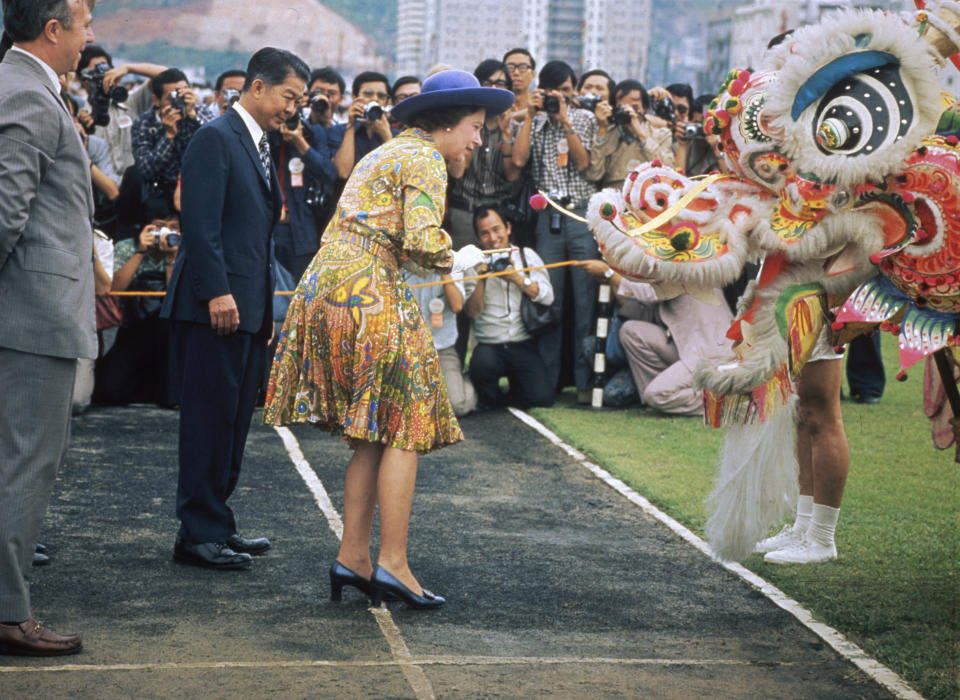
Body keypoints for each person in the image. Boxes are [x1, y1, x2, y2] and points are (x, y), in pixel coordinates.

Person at [264, 69, 512, 609]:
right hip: (367, 288)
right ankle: (392, 564)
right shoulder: (424, 159)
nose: (478, 139)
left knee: (375, 430)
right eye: (475, 126)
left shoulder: (393, 151)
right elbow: (422, 240)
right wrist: (459, 256)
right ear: (448, 122)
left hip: (330, 284)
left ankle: (352, 556)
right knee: (406, 421)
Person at [160, 46, 310, 570]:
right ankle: (198, 533)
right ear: (257, 86)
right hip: (214, 306)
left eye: (299, 101)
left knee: (233, 421)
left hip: (248, 306)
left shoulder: (260, 144)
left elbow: (257, 233)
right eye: (289, 96)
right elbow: (200, 227)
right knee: (208, 420)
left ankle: (216, 523)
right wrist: (217, 291)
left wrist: (262, 309)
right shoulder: (214, 138)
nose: (291, 109)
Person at [0, 0, 95, 656]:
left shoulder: (24, 87)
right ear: (53, 28)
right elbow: (6, 212)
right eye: (85, 22)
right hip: (29, 316)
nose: (92, 38)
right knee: (24, 467)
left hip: (24, 312)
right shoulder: (28, 94)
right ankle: (8, 613)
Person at [512, 59, 599, 400]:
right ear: (542, 92)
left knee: (584, 302)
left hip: (579, 218)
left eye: (566, 91)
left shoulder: (585, 119)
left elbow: (583, 163)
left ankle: (583, 382)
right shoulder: (533, 122)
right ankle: (546, 383)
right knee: (549, 301)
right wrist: (532, 116)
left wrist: (564, 121)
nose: (561, 98)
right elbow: (518, 162)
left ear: (574, 91)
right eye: (554, 93)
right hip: (548, 218)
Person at [579, 260, 733, 415]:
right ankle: (658, 399)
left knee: (657, 395)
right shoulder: (664, 272)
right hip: (687, 348)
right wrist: (612, 281)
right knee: (630, 331)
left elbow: (648, 293)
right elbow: (641, 310)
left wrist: (609, 273)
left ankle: (726, 402)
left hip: (711, 353)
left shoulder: (687, 265)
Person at [756, 334, 850, 564]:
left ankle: (821, 538)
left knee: (820, 413)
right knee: (803, 411)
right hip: (793, 302)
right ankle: (804, 526)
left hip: (819, 302)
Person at [465, 206, 555, 410]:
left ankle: (515, 392)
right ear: (478, 238)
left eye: (497, 229)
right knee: (482, 368)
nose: (493, 238)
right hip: (490, 344)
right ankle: (490, 396)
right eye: (485, 233)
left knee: (542, 398)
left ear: (508, 228)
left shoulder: (526, 255)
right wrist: (481, 279)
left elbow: (548, 297)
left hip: (522, 342)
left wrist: (517, 279)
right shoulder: (474, 262)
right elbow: (472, 312)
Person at [94, 217, 180, 406]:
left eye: (173, 228)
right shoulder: (128, 247)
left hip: (168, 333)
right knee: (108, 390)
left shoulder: (184, 248)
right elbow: (113, 290)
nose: (165, 233)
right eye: (159, 227)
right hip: (133, 328)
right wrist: (140, 251)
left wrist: (170, 260)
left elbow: (177, 299)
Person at [402, 267, 477, 416]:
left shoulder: (453, 268)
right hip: (407, 350)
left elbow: (456, 305)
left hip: (443, 350)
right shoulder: (403, 268)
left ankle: (465, 381)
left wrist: (444, 271)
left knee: (458, 406)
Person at [586, 79, 675, 190]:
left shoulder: (661, 134)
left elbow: (668, 170)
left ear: (645, 109)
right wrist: (602, 130)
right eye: (622, 107)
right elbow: (594, 174)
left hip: (649, 195)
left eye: (635, 107)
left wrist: (640, 134)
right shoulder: (607, 133)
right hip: (615, 196)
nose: (629, 112)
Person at [328, 71, 396, 180]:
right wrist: (351, 125)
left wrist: (387, 135)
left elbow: (400, 173)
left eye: (381, 96)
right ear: (354, 97)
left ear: (387, 102)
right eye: (368, 94)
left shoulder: (397, 136)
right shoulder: (338, 131)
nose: (375, 99)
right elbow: (343, 172)